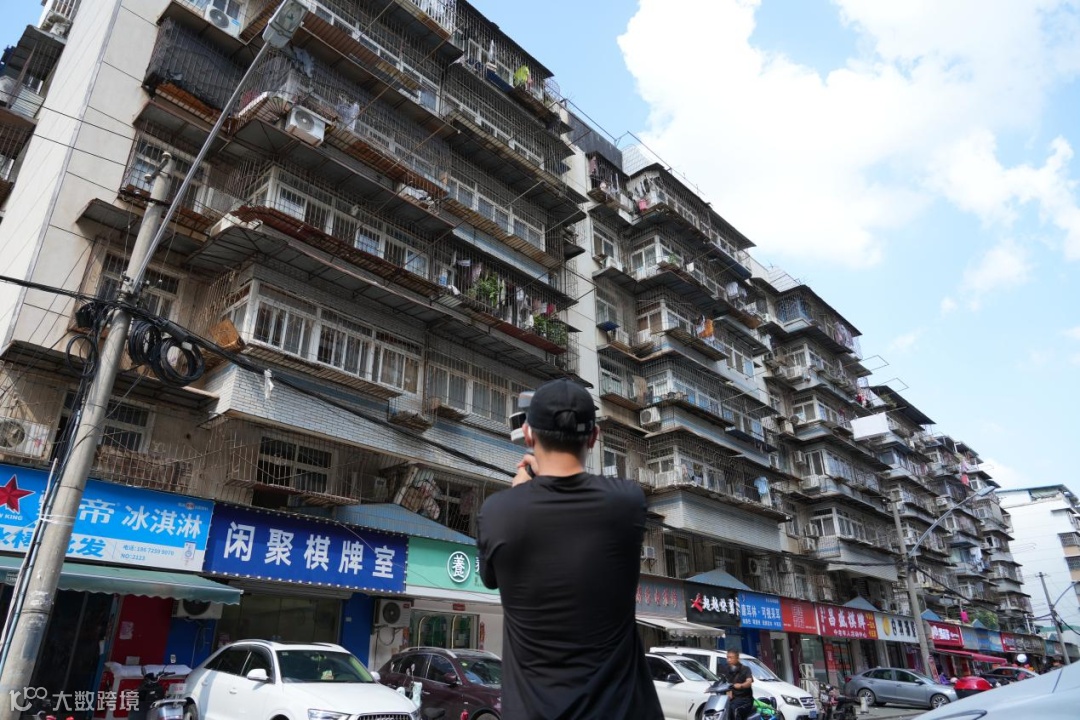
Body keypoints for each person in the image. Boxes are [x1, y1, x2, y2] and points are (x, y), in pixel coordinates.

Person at [477, 379, 663, 720]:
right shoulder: (627, 502)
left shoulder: (497, 512)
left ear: (528, 434)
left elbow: (491, 579)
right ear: (593, 437)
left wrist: (520, 494)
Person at [724, 648, 754, 720]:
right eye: (727, 657)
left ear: (737, 658)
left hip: (745, 700)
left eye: (731, 658)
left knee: (734, 709)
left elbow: (749, 682)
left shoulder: (745, 669)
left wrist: (741, 686)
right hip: (732, 699)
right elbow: (725, 682)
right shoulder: (727, 670)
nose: (728, 660)